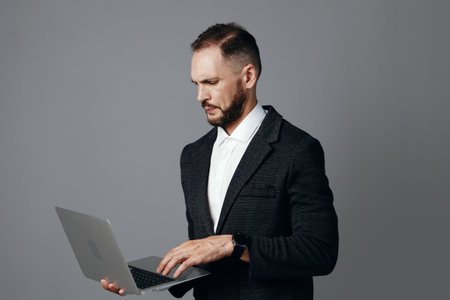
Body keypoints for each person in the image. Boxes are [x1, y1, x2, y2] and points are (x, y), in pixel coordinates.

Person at [102, 22, 338, 299]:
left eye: (211, 82)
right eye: (197, 84)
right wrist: (152, 277)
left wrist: (234, 245)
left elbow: (319, 252)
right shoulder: (193, 156)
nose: (201, 96)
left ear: (248, 76)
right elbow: (206, 254)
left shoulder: (297, 149)